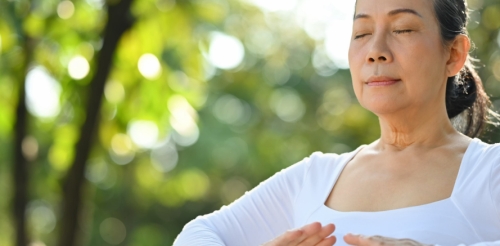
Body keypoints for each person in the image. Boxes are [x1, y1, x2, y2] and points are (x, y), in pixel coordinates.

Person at [174, 0, 500, 245]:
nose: (375, 51)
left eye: (402, 29)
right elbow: (196, 234)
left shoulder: (489, 172)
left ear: (453, 54)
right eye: (362, 33)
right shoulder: (315, 179)